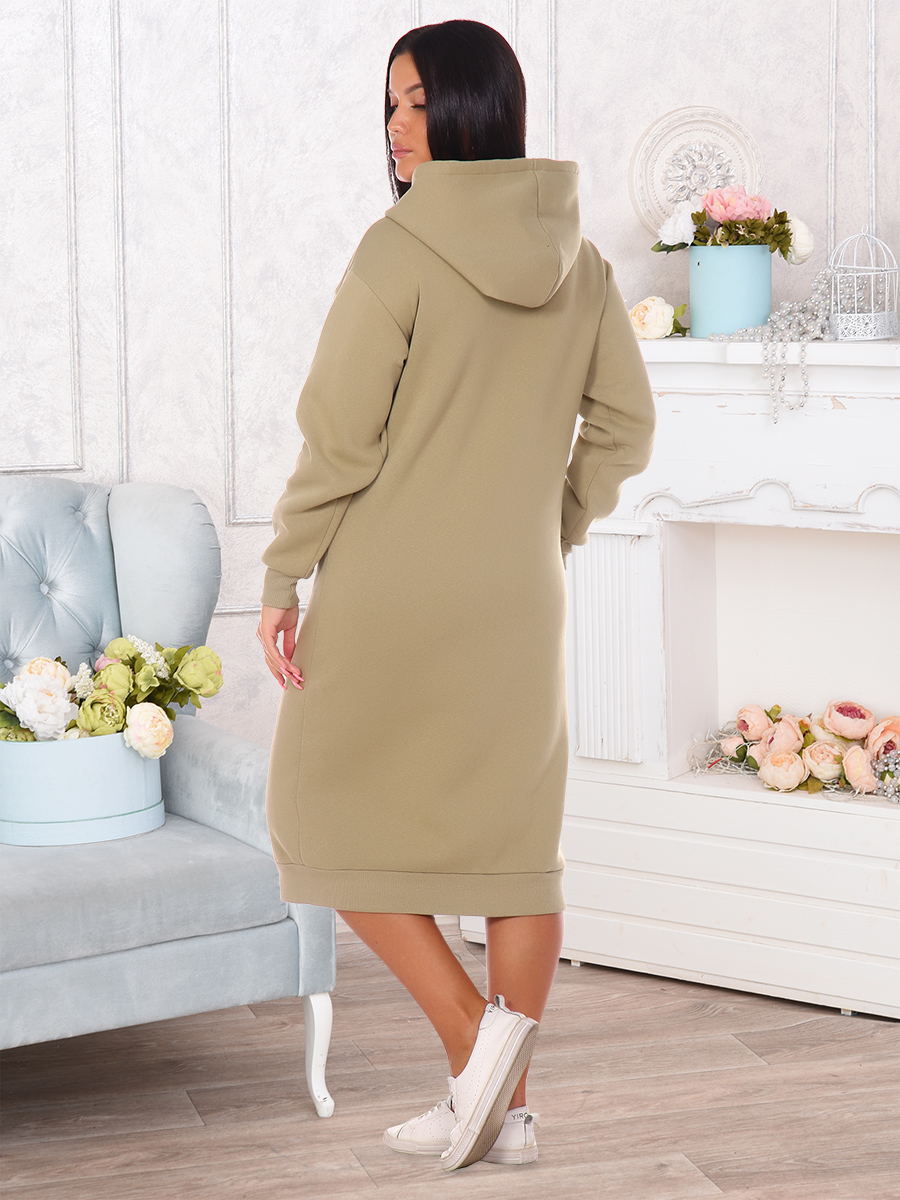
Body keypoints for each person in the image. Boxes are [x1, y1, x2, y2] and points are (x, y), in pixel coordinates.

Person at [257, 19, 655, 1171]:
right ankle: (505, 1114)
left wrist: (282, 573)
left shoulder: (398, 252)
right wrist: (553, 524)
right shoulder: (583, 265)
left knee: (313, 819)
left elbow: (338, 441)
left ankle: (477, 1048)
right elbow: (626, 428)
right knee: (513, 850)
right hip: (520, 599)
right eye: (390, 104)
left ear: (477, 109)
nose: (397, 127)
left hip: (389, 593)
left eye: (421, 103)